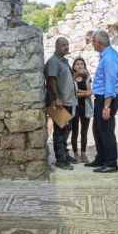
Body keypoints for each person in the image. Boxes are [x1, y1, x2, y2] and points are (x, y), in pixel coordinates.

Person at [86, 30, 118, 173]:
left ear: (99, 43)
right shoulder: (106, 55)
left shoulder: (109, 58)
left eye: (93, 42)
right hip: (102, 98)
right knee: (98, 129)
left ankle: (111, 163)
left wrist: (106, 107)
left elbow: (110, 83)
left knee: (106, 131)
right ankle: (101, 158)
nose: (92, 44)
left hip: (107, 99)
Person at [45, 37, 78, 170]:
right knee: (60, 131)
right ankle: (61, 160)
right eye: (63, 45)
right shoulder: (53, 62)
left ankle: (64, 154)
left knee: (66, 129)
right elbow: (51, 81)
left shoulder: (63, 61)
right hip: (60, 102)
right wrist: (57, 98)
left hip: (69, 101)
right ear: (56, 46)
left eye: (67, 44)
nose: (66, 47)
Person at [70, 57, 93, 163]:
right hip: (74, 107)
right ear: (74, 66)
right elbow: (71, 93)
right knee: (74, 131)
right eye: (77, 64)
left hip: (85, 107)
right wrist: (82, 93)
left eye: (82, 64)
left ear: (84, 66)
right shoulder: (71, 77)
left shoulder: (87, 77)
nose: (79, 66)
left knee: (84, 131)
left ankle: (83, 153)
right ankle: (75, 154)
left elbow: (89, 92)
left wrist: (79, 92)